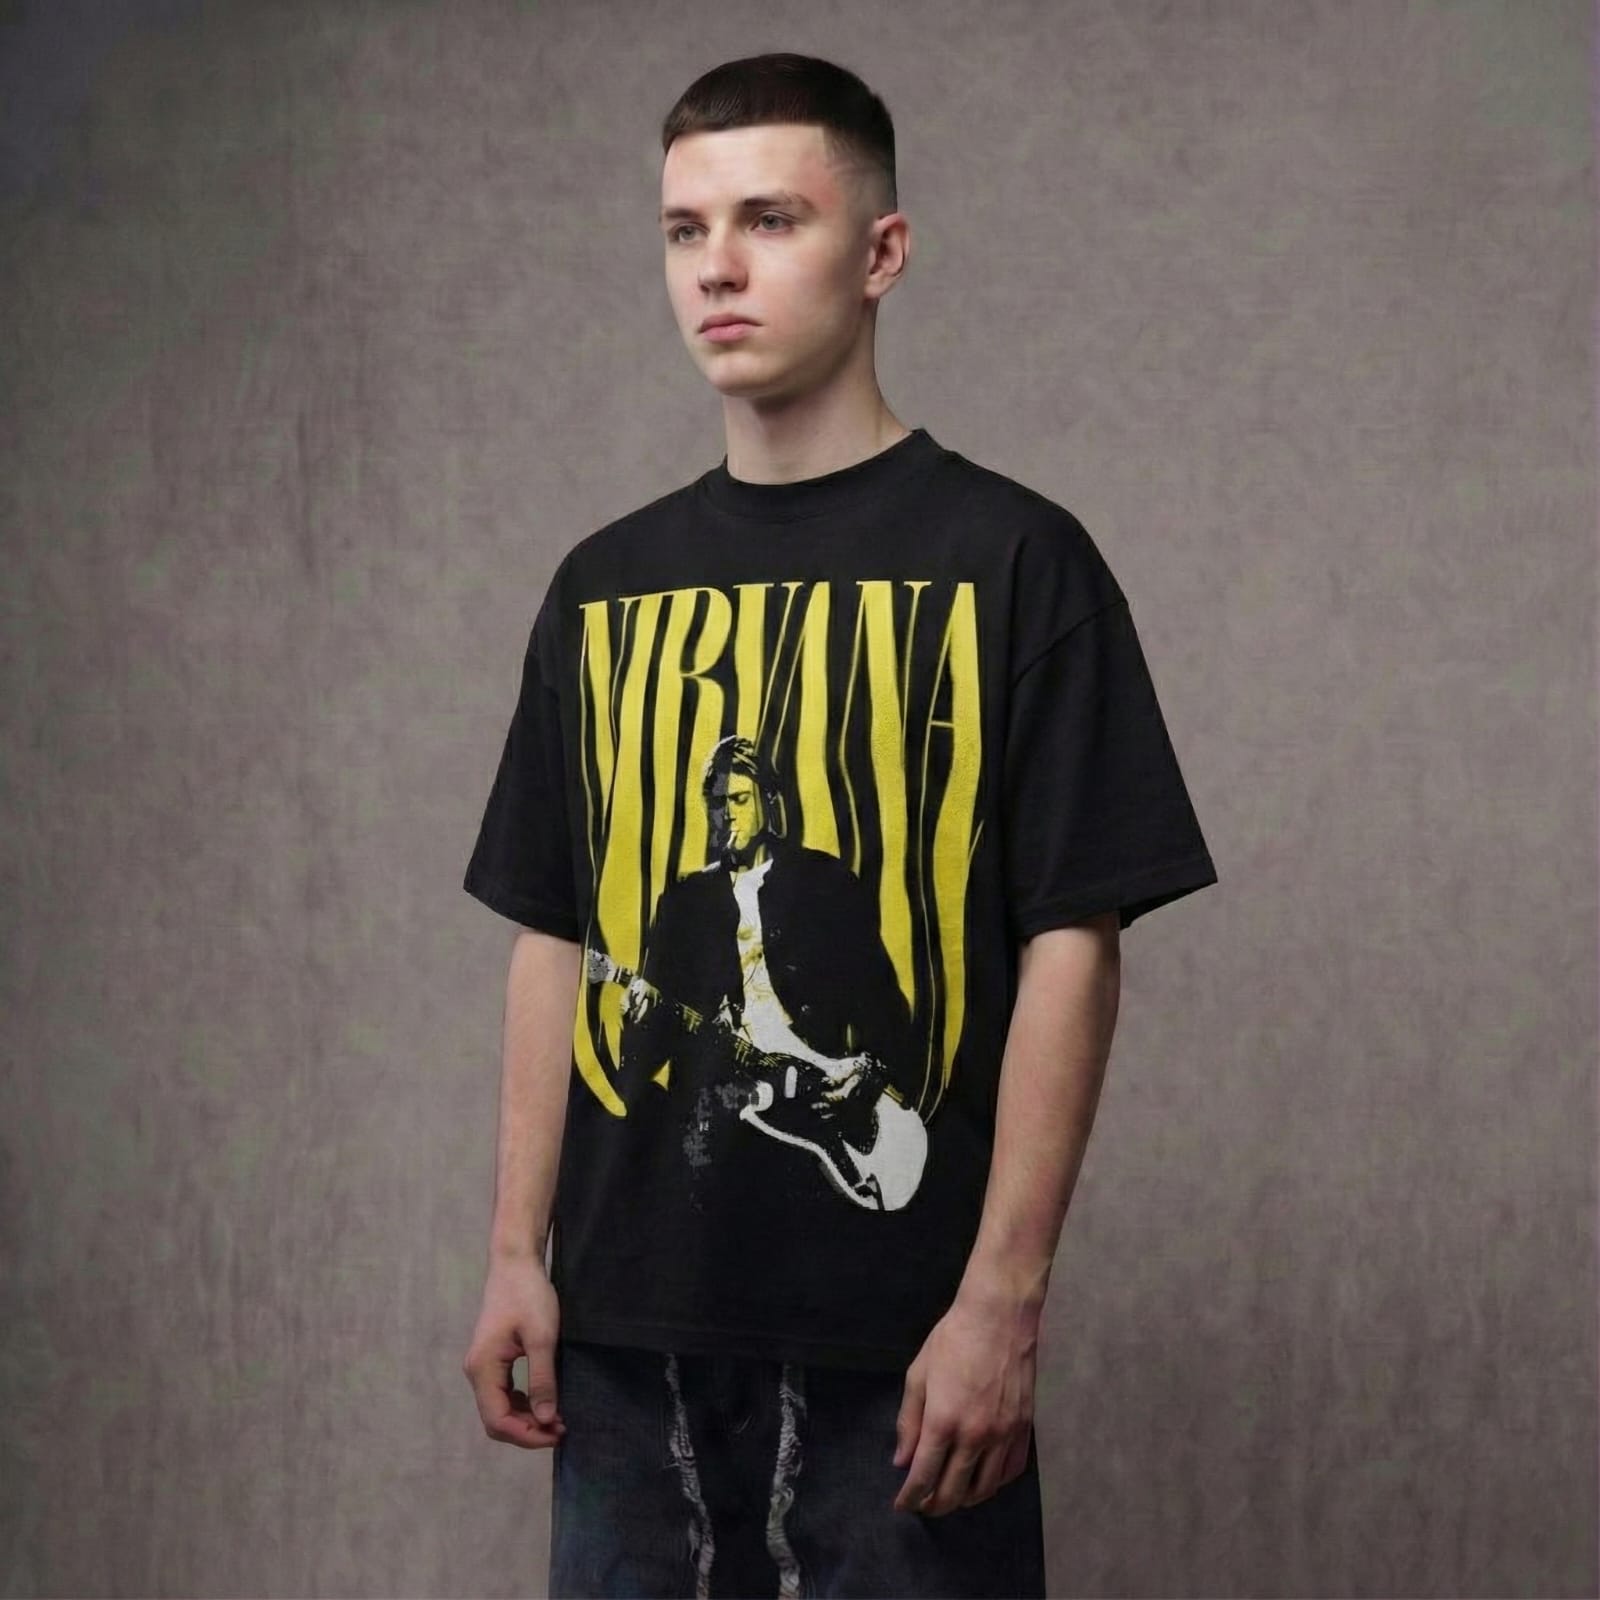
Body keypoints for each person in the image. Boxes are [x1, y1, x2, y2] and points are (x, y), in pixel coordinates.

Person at [460, 51, 1219, 1599]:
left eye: (770, 220)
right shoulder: (600, 590)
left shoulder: (1017, 562)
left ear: (882, 253)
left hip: (905, 1346)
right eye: (684, 230)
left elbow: (1072, 945)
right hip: (626, 1349)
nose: (716, 268)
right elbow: (557, 940)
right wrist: (515, 1255)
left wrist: (1002, 1302)